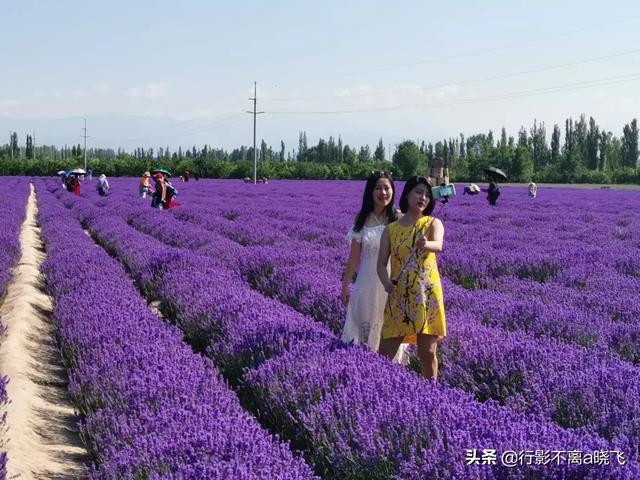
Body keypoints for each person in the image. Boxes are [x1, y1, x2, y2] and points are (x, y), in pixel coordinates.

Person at [377, 176, 446, 380]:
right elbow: (381, 263)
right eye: (418, 192)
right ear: (407, 194)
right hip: (399, 296)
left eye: (426, 194)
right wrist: (386, 283)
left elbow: (439, 245)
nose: (422, 197)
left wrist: (426, 244)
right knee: (384, 355)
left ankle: (431, 394)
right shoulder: (391, 230)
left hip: (426, 296)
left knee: (428, 353)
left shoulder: (433, 223)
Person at [340, 171, 408, 363]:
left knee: (389, 328)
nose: (383, 193)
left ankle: (391, 371)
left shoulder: (400, 219)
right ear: (370, 192)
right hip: (366, 283)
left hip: (391, 284)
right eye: (378, 188)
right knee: (363, 328)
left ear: (393, 191)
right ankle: (360, 366)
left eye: (387, 188)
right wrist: (345, 286)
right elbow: (353, 258)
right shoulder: (361, 219)